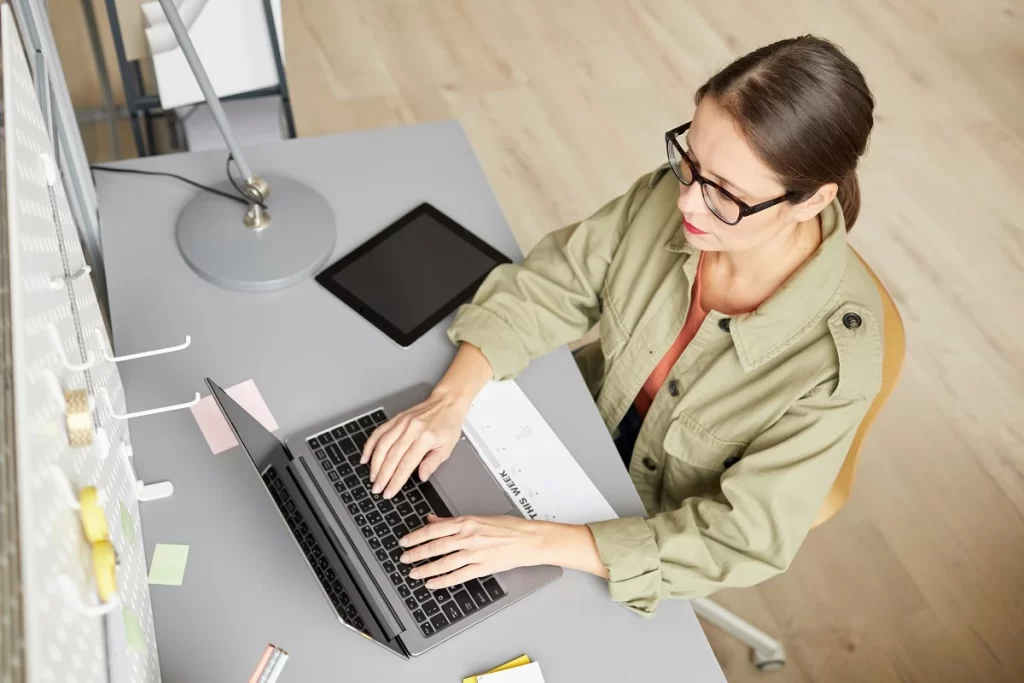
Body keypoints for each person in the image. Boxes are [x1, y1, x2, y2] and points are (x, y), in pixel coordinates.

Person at [361, 35, 884, 617]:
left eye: (726, 195)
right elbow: (551, 286)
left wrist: (531, 540)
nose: (688, 203)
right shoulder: (672, 195)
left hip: (645, 542)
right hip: (562, 435)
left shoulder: (835, 365)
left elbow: (742, 537)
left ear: (811, 202)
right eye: (690, 161)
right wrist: (449, 401)